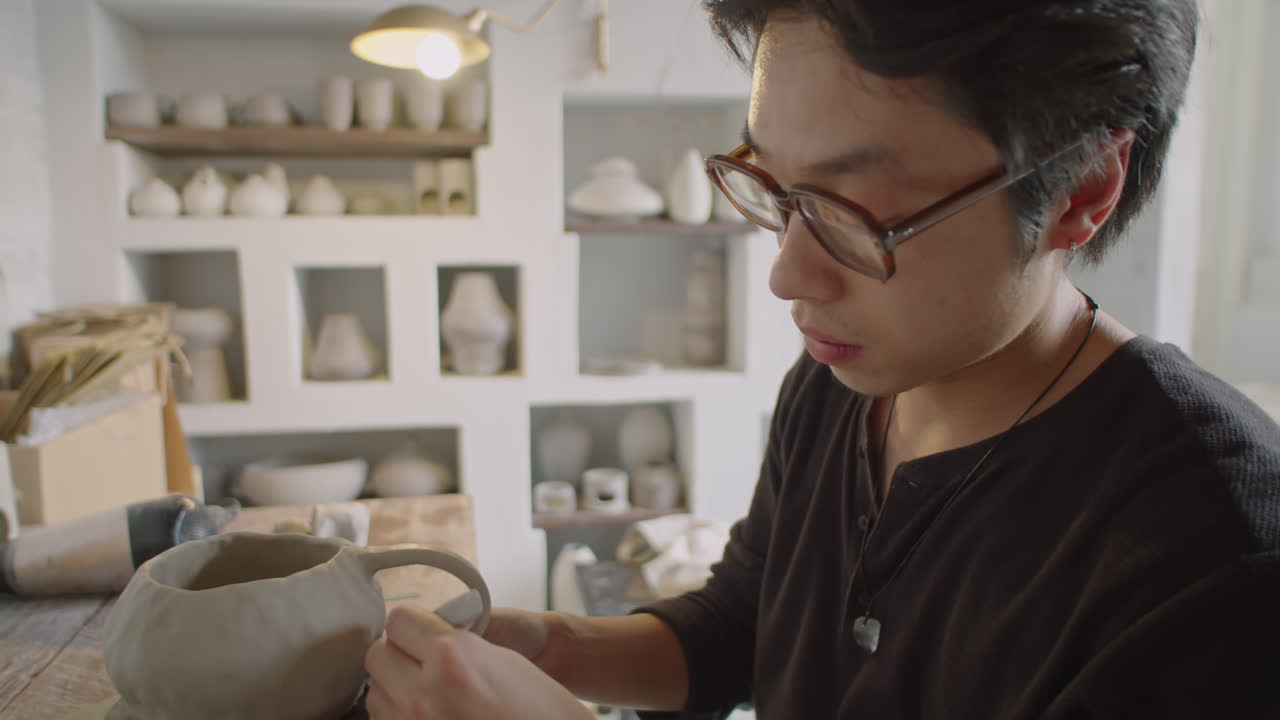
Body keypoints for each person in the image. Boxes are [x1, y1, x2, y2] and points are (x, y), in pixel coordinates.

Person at [363, 0, 1280, 717]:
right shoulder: (844, 382)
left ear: (1083, 187)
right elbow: (740, 629)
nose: (788, 273)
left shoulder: (1215, 556)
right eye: (773, 186)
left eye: (854, 212)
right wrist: (556, 648)